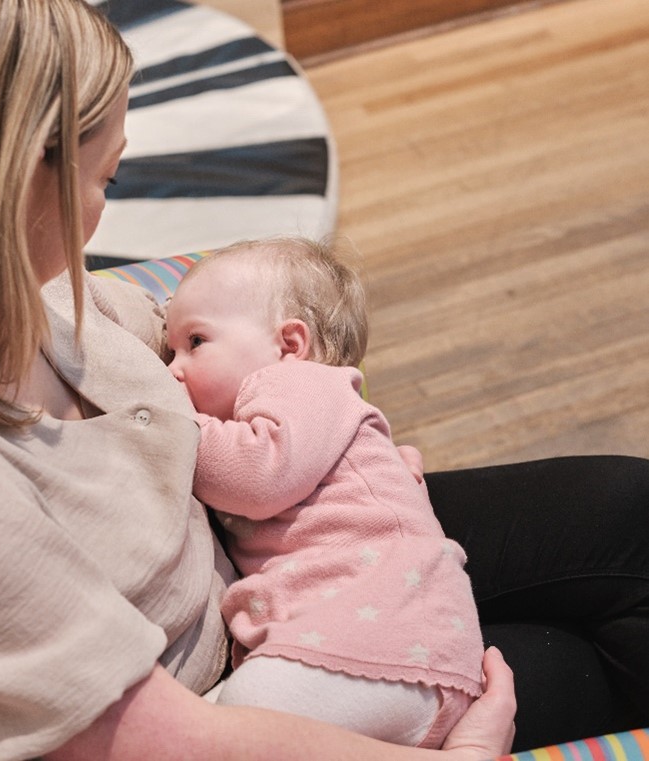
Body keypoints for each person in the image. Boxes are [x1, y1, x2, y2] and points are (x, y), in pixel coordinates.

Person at [0, 0, 646, 758]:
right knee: (586, 662)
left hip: (262, 539)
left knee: (626, 507)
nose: (97, 218)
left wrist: (326, 432)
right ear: (12, 181)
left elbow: (150, 323)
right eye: (104, 179)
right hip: (249, 679)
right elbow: (162, 739)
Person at [165, 237, 484, 748]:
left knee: (230, 721)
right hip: (377, 657)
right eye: (169, 349)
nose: (172, 369)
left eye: (195, 342)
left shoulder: (304, 384)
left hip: (384, 643)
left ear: (290, 345)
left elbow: (258, 475)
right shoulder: (300, 411)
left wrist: (168, 424)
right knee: (211, 723)